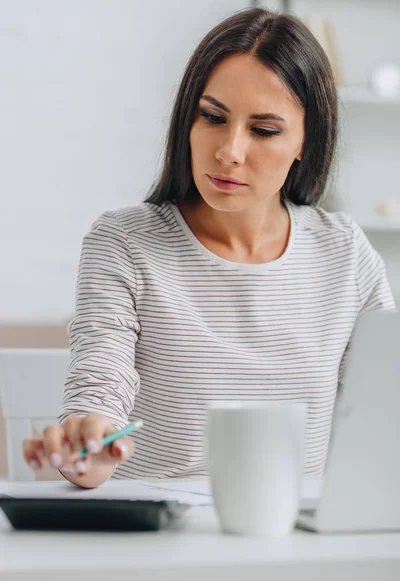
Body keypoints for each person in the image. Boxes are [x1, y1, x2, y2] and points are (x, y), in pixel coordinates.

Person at [23, 7, 396, 489]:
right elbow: (100, 389)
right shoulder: (123, 244)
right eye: (213, 117)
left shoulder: (344, 255)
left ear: (307, 140)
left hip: (292, 545)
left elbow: (388, 404)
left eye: (263, 130)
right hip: (163, 544)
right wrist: (89, 444)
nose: (229, 151)